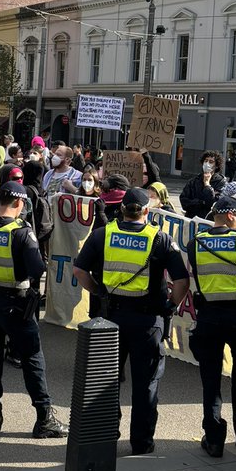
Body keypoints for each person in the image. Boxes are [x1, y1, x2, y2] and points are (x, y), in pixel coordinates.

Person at [73, 187, 189, 453]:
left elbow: (79, 270)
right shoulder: (159, 239)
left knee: (107, 380)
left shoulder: (103, 235)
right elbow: (182, 281)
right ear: (147, 211)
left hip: (110, 318)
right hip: (148, 321)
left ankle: (105, 433)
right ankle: (141, 443)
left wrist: (99, 291)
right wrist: (171, 306)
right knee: (145, 383)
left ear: (122, 210)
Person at [0, 181, 68, 439]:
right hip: (17, 304)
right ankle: (44, 418)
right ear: (19, 203)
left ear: (0, 202)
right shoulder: (22, 231)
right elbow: (37, 270)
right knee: (33, 359)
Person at [187, 194, 236, 457]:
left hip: (208, 316)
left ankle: (213, 441)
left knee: (210, 381)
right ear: (231, 216)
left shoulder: (195, 243)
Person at [180, 151, 225, 219]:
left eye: (211, 162)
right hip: (192, 218)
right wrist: (201, 202)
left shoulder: (221, 182)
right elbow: (184, 201)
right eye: (206, 161)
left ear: (216, 166)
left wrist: (207, 185)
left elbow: (214, 203)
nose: (207, 164)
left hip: (208, 221)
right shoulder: (193, 181)